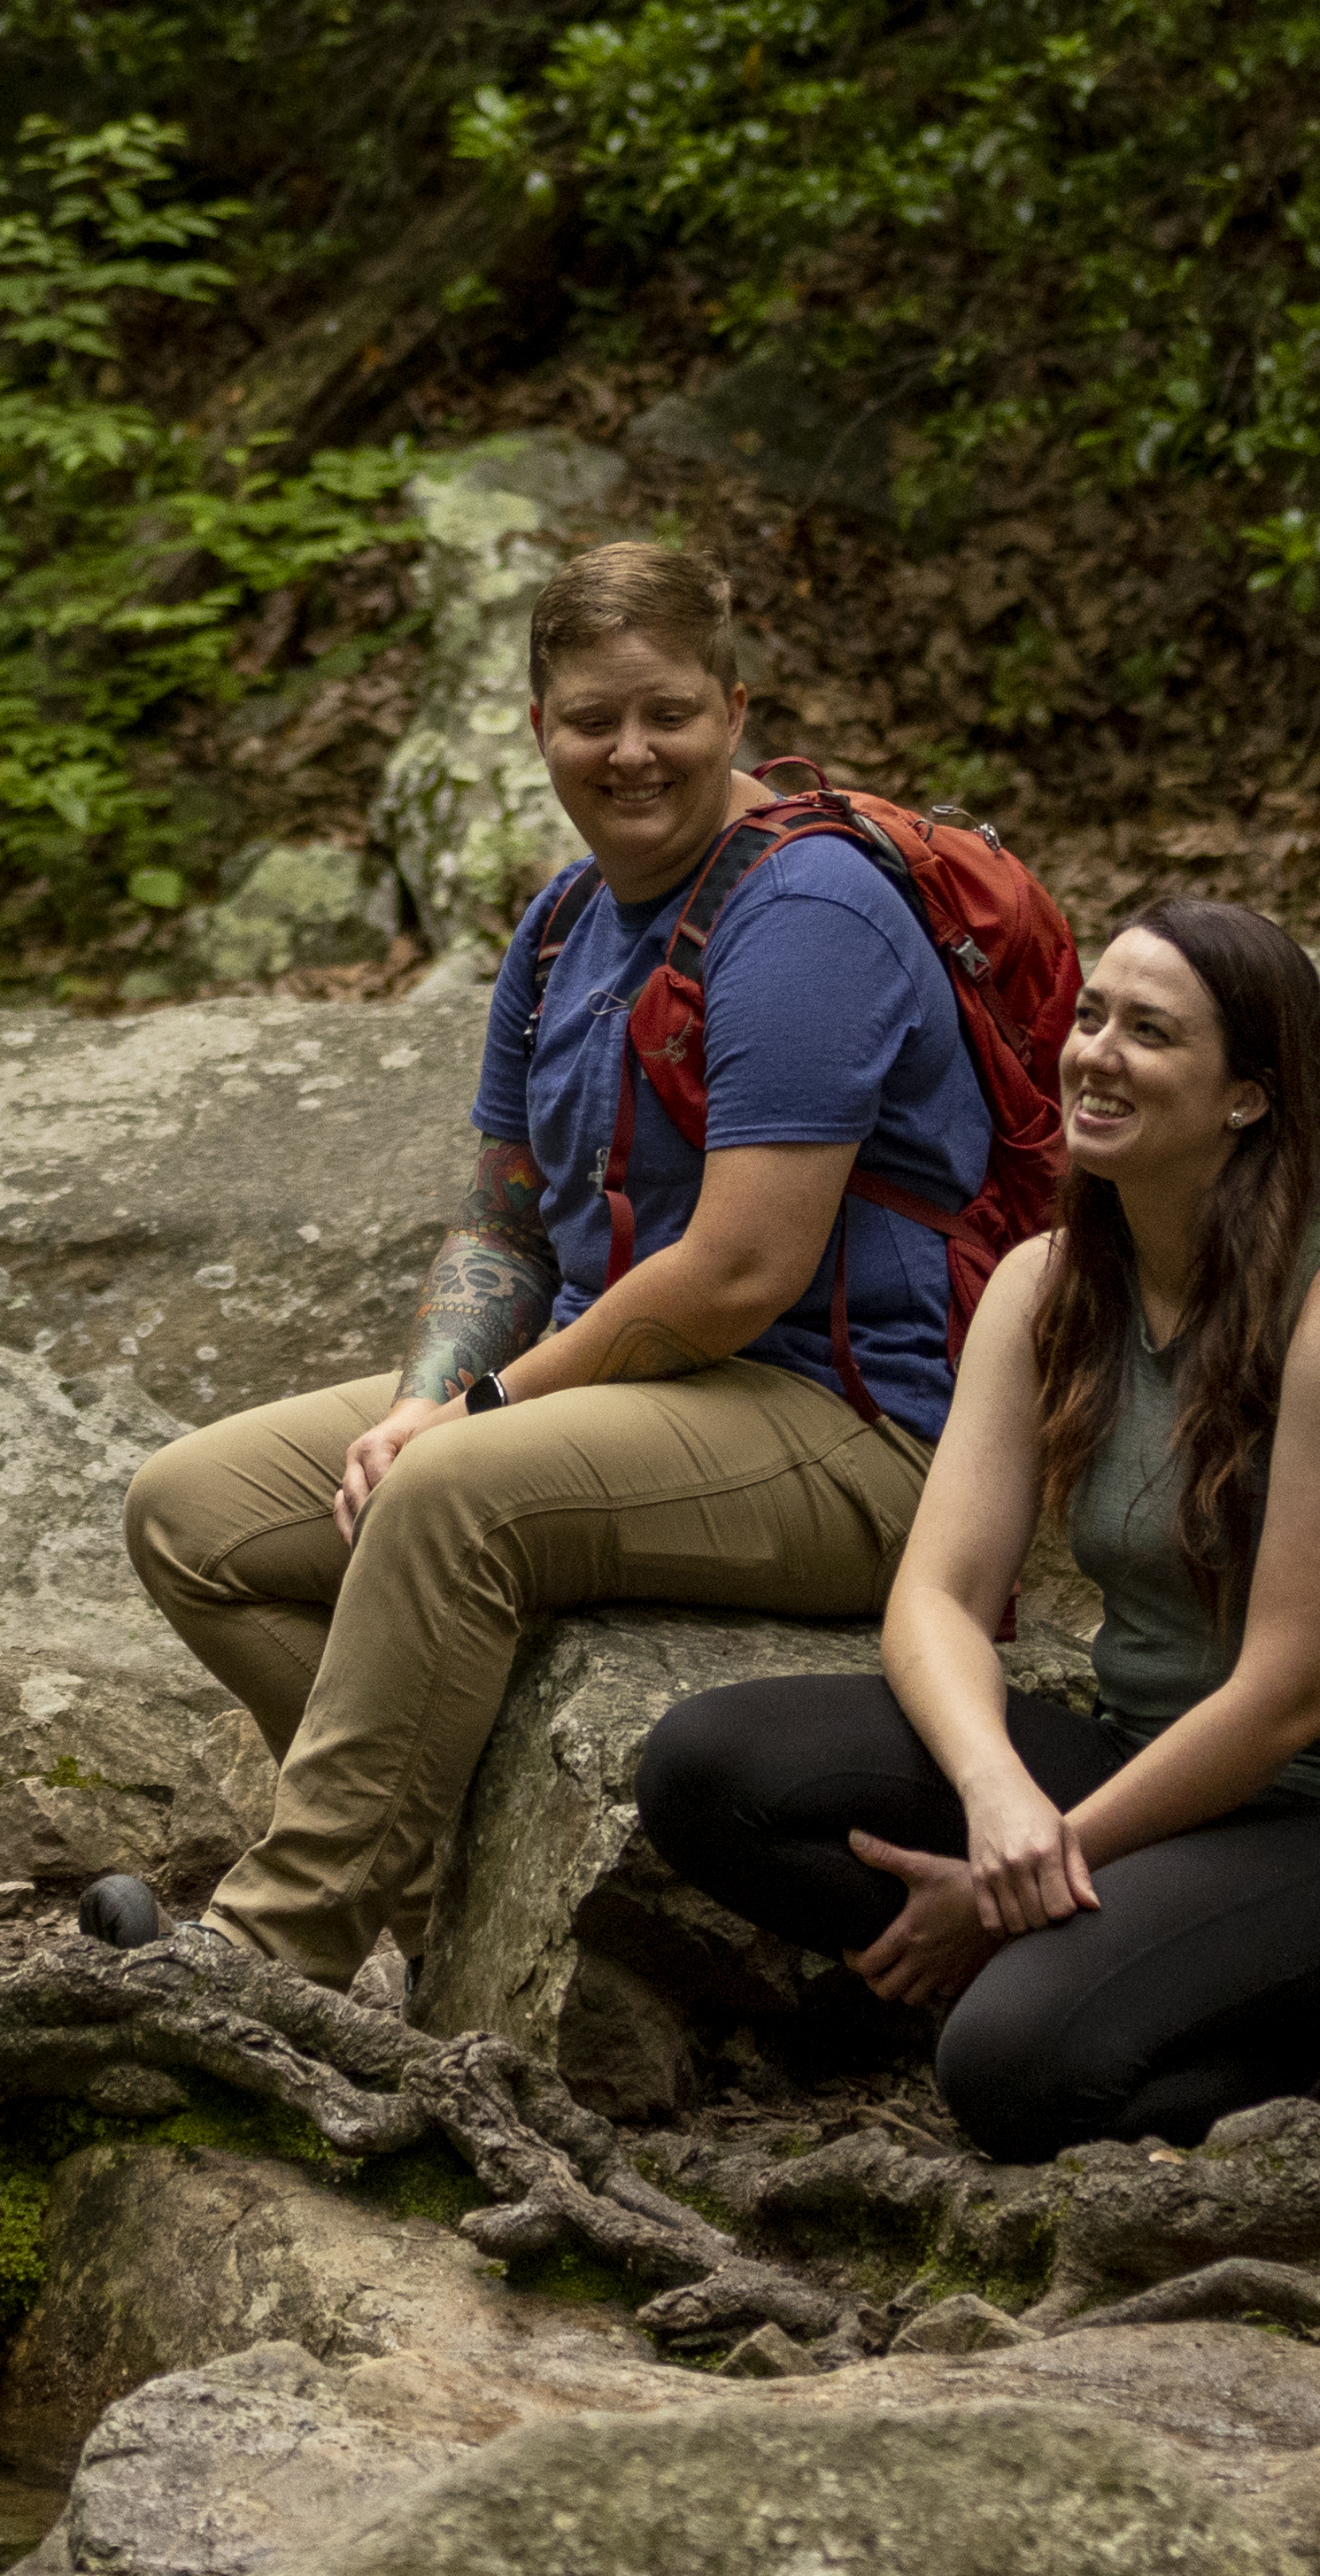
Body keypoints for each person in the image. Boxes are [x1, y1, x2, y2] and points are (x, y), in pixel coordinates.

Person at [121, 538, 998, 1984]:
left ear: (734, 706)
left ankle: (264, 1957)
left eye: (668, 711)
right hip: (633, 1394)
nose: (631, 749)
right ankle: (455, 1890)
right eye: (593, 717)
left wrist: (481, 1418)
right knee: (189, 1513)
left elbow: (737, 1274)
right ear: (539, 729)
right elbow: (504, 1218)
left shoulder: (807, 914)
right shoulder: (561, 928)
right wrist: (424, 1392)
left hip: (856, 1430)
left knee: (453, 1490)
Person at [628, 896, 1320, 2157]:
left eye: (1151, 1034)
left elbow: (1291, 1694)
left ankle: (1302, 2042)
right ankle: (1076, 1976)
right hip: (1137, 1773)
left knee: (1010, 2076)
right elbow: (935, 1597)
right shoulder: (1049, 1287)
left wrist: (1019, 1886)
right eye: (1092, 1014)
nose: (1096, 1052)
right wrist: (999, 1803)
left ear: (1249, 1096)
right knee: (707, 1767)